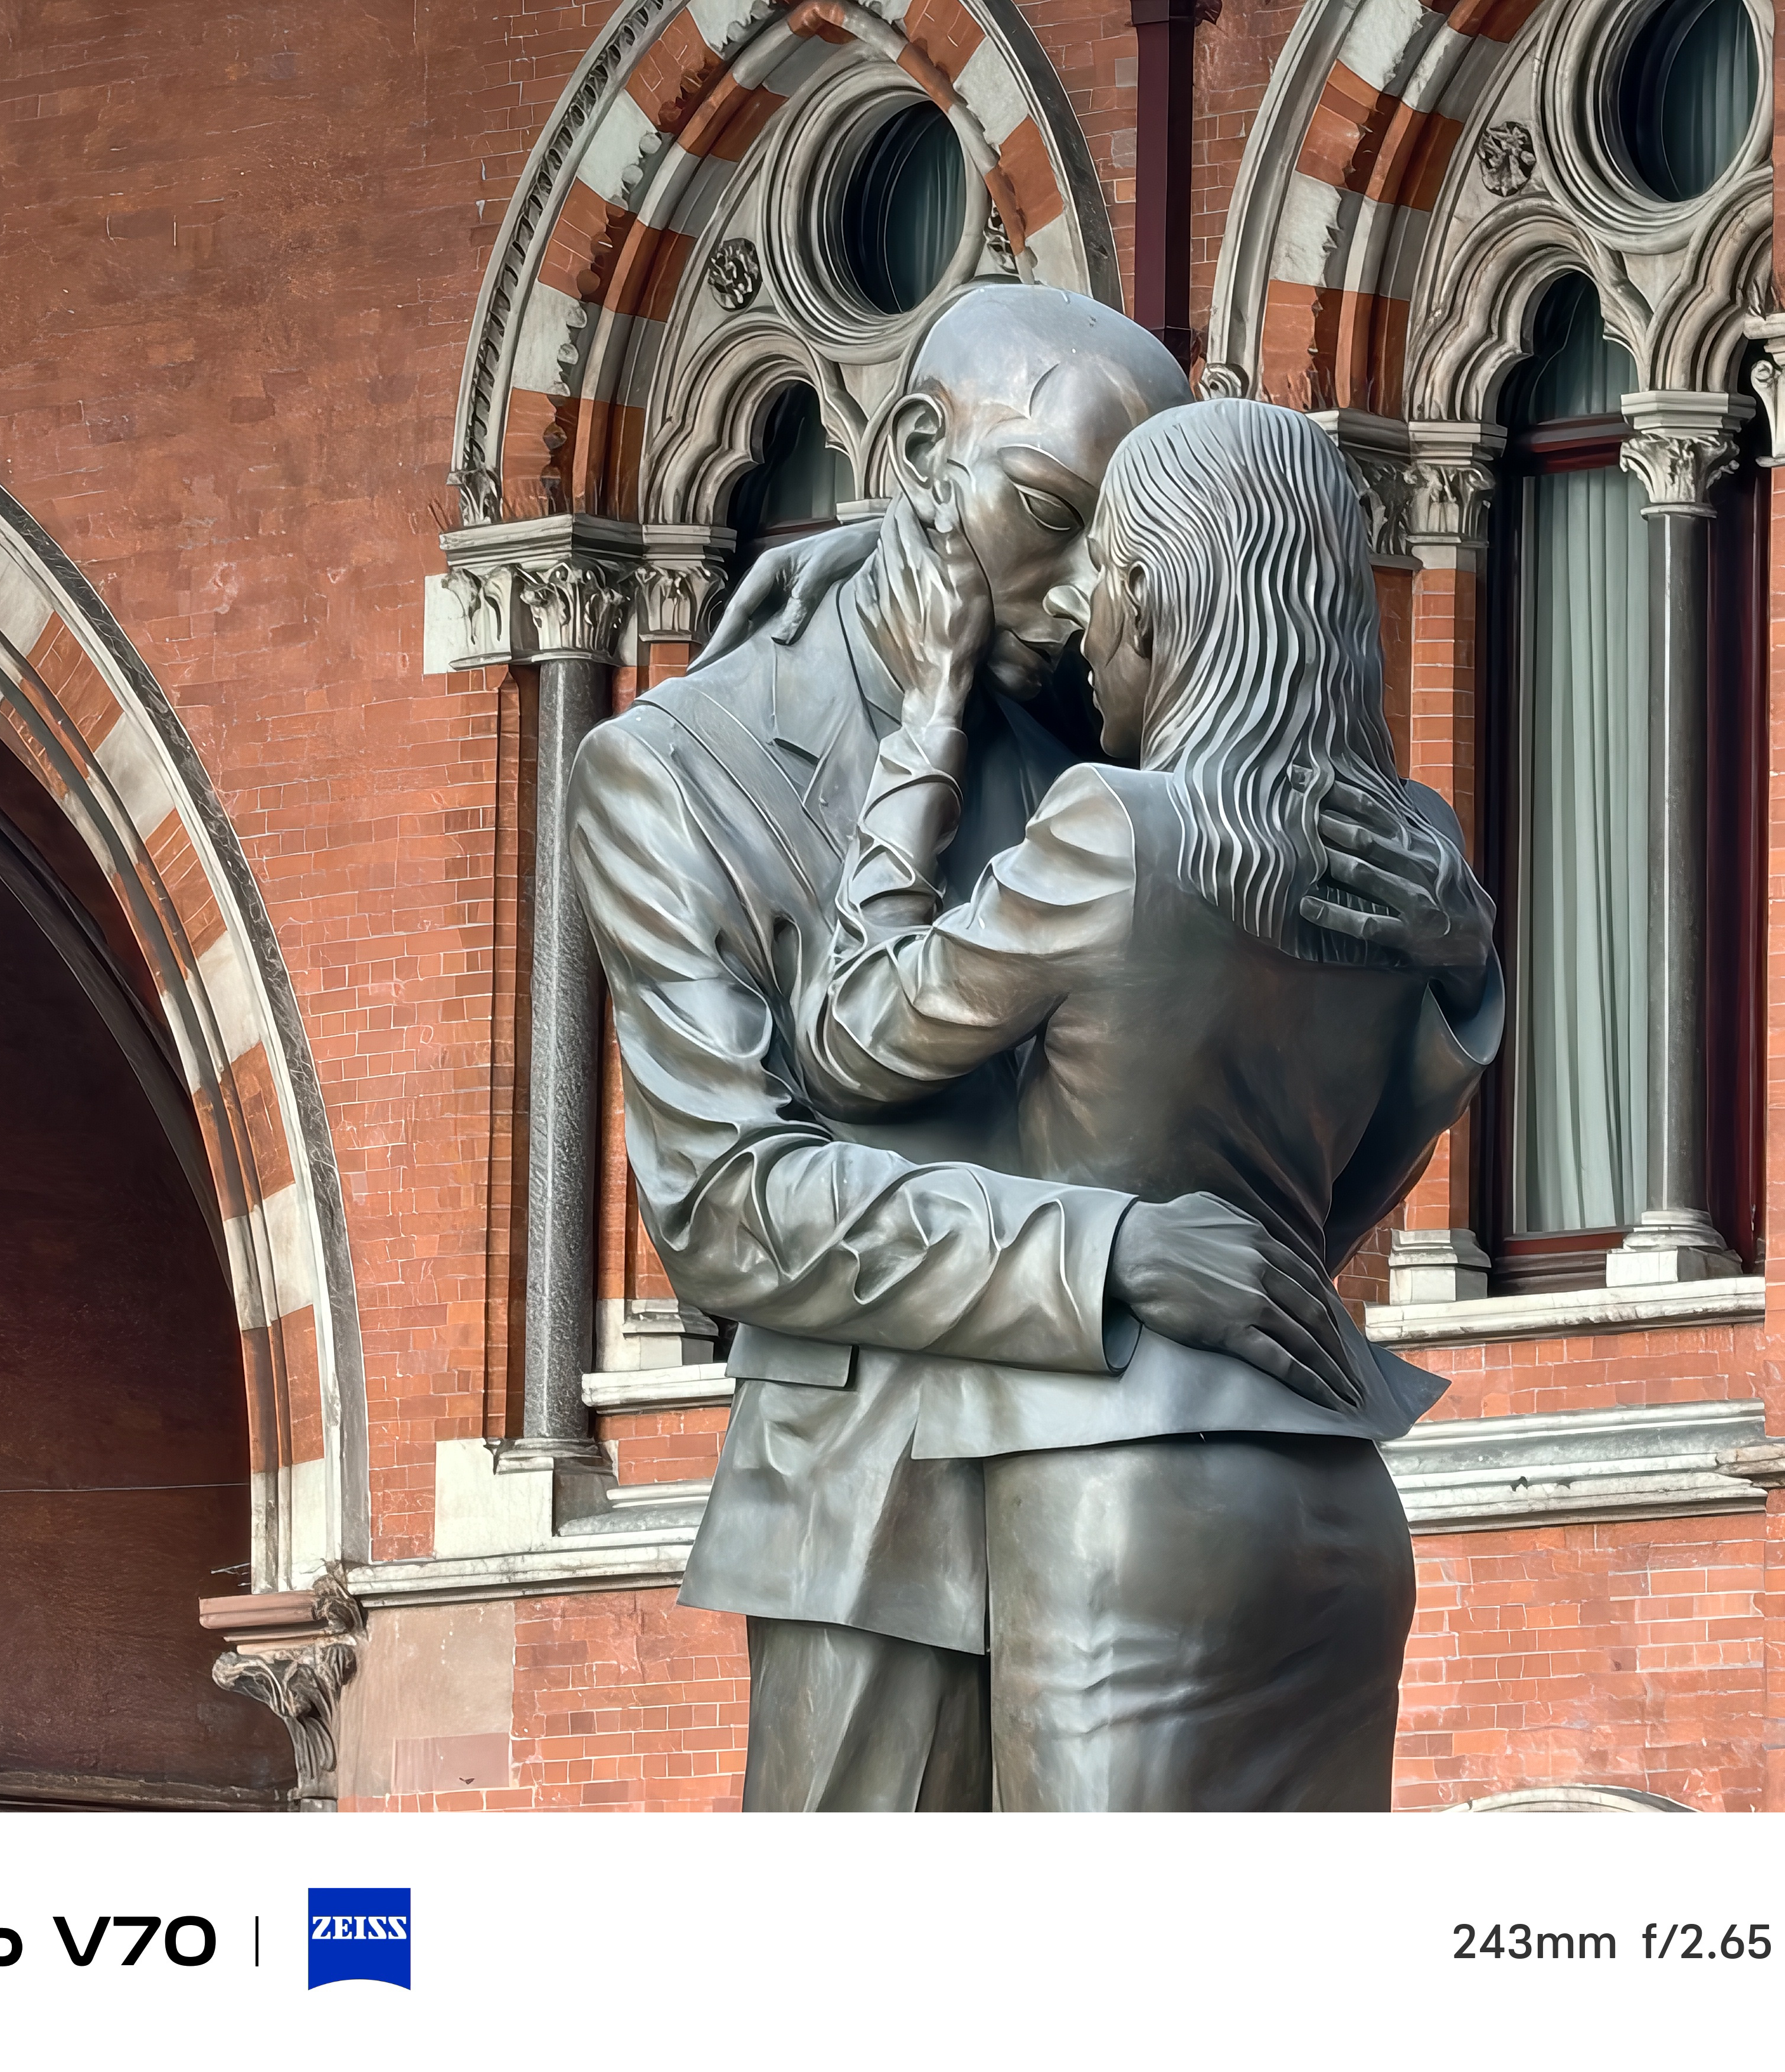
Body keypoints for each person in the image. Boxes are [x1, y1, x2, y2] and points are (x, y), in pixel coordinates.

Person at [565, 286, 1497, 1811]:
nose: (1079, 595)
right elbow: (730, 1207)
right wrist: (1110, 1256)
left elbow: (1280, 1185)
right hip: (880, 1525)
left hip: (1165, 1483)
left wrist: (1444, 982)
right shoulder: (681, 769)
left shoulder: (1132, 726)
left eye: (1109, 544)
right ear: (923, 454)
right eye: (1050, 514)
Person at [802, 398, 1501, 1809]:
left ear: (1157, 598)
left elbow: (848, 1037)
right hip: (1336, 1501)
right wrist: (1469, 975)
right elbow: (1354, 1192)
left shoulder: (1114, 828)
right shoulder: (1415, 850)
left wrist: (925, 728)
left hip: (1121, 1492)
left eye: (1102, 571)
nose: (1074, 619)